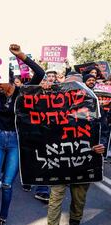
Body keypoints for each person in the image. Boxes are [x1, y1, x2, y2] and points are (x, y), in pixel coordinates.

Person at [0, 44, 45, 225]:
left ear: (10, 79)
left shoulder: (22, 93)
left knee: (7, 184)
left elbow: (40, 74)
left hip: (15, 141)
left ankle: (3, 216)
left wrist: (21, 55)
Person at [46, 73, 107, 225]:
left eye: (76, 86)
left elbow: (103, 129)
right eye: (68, 86)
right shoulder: (53, 104)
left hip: (84, 161)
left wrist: (102, 145)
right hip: (59, 159)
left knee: (78, 199)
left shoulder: (94, 105)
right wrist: (42, 91)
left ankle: (75, 222)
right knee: (55, 198)